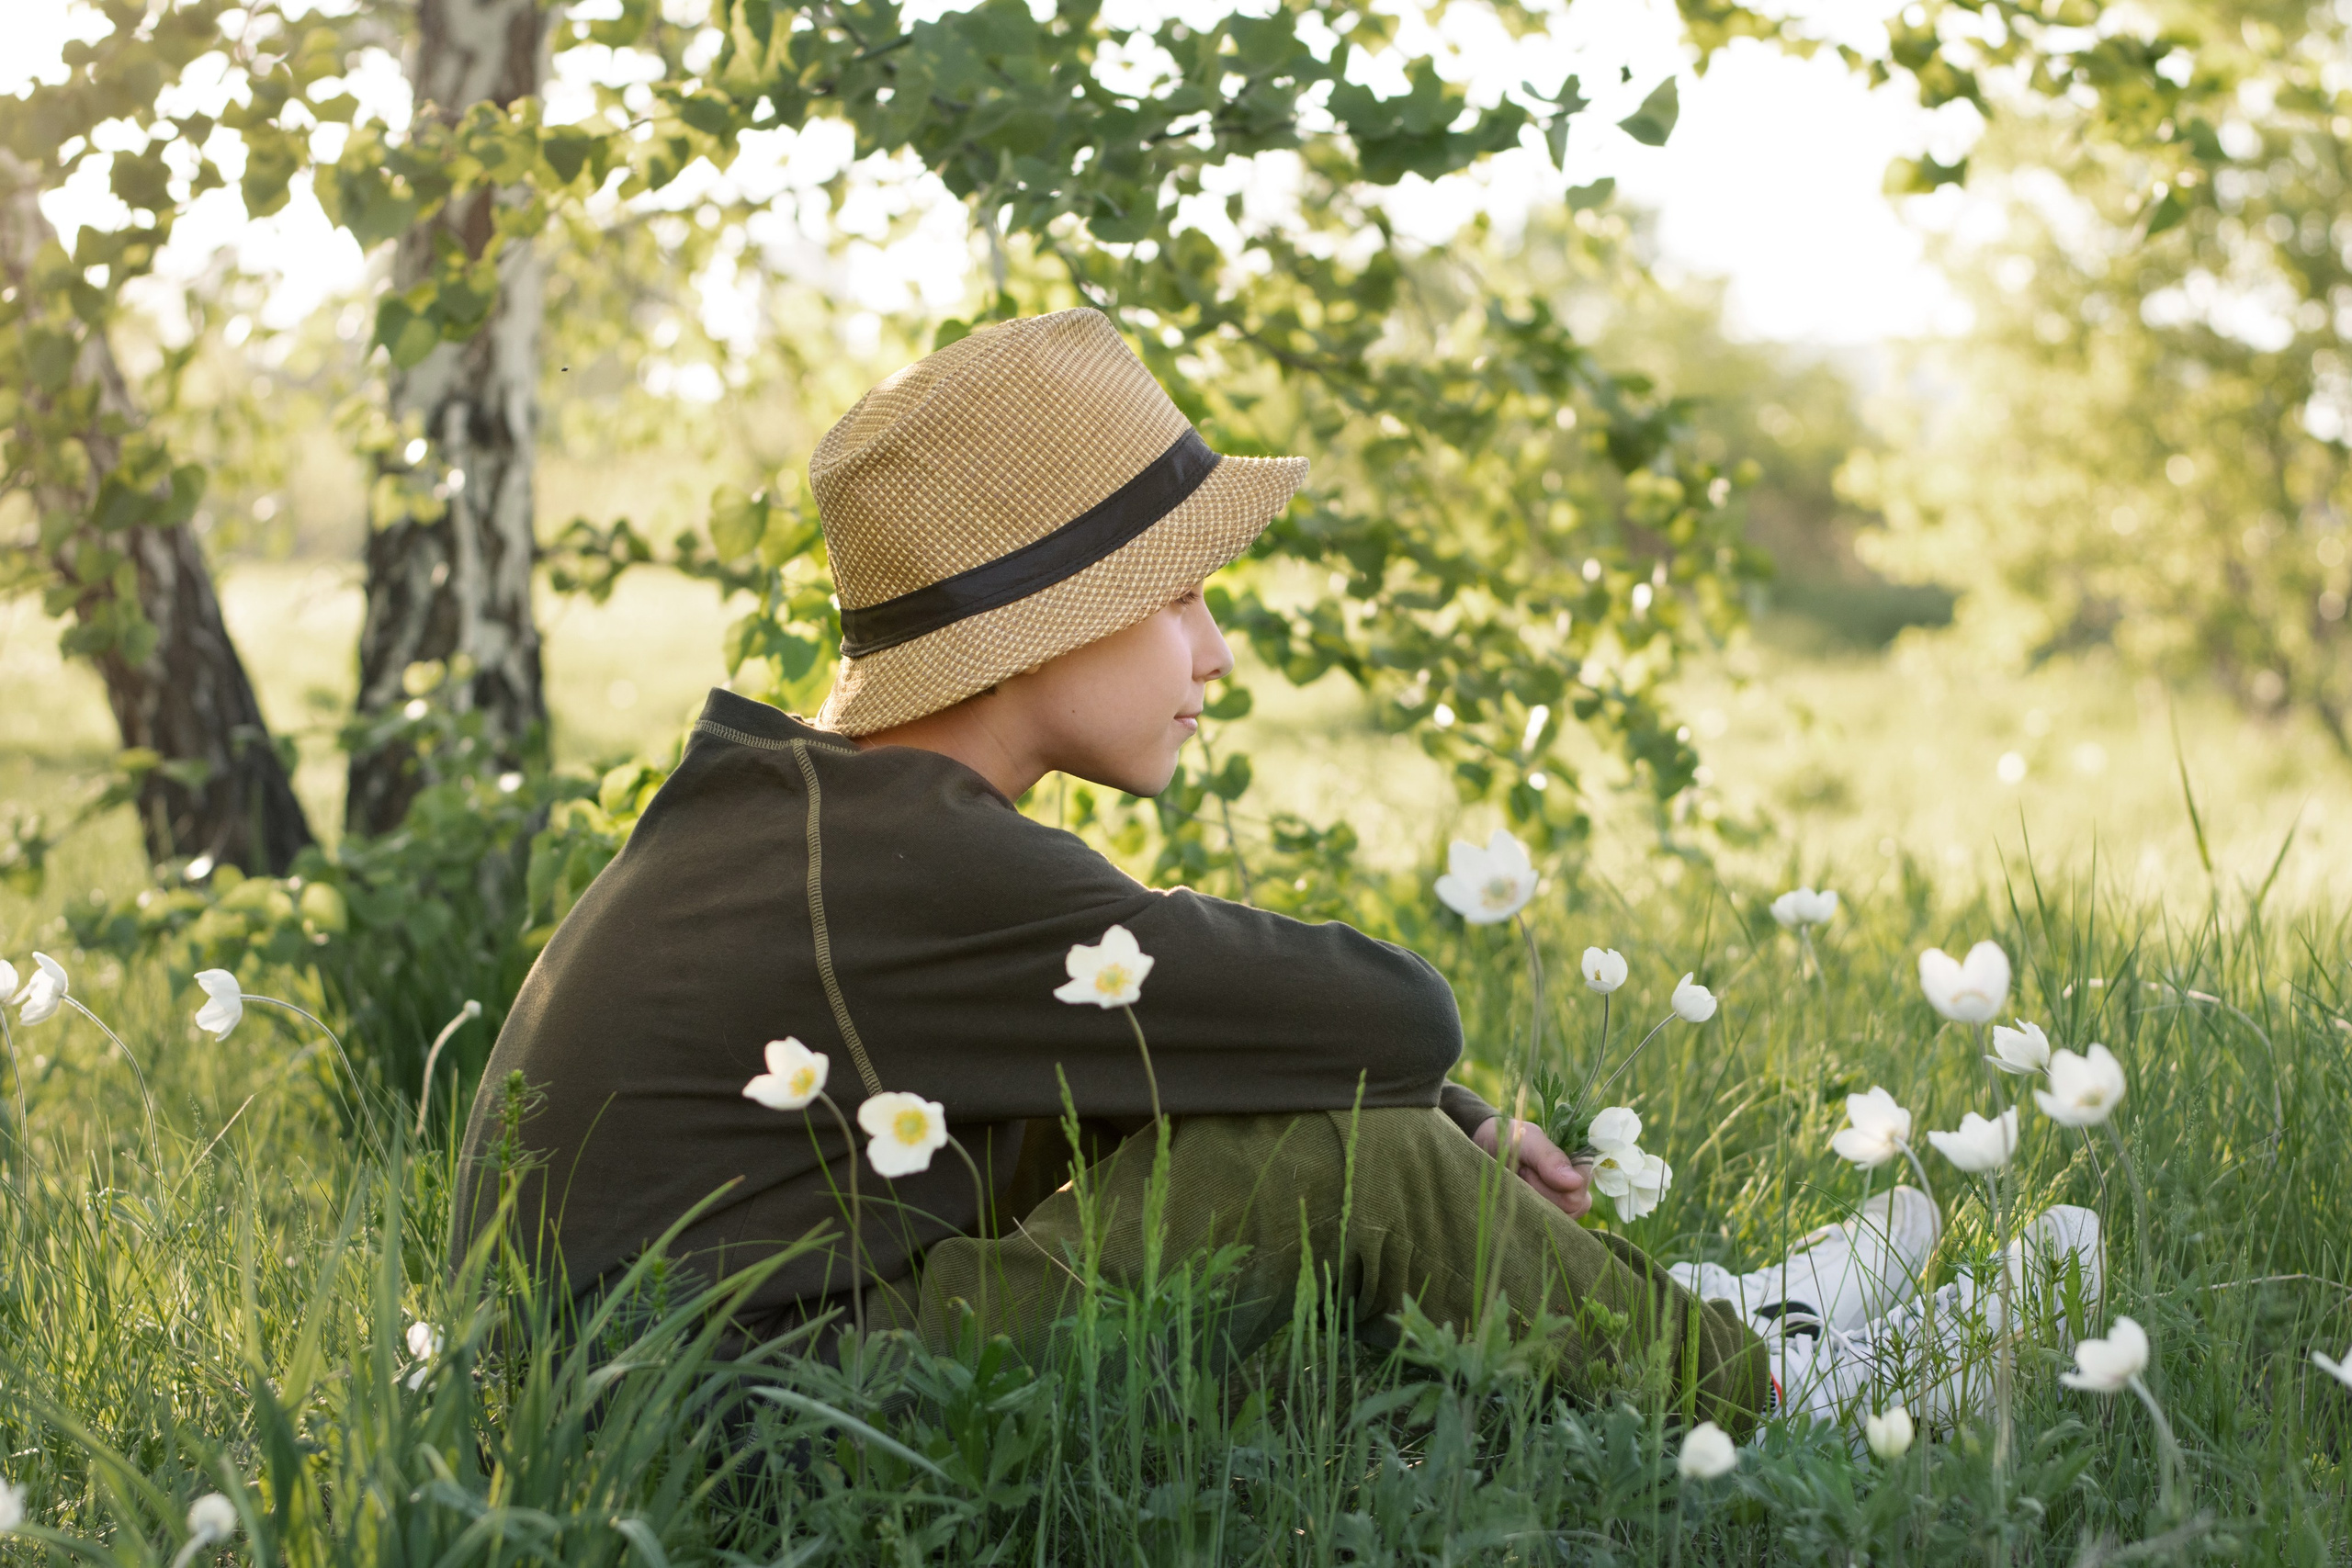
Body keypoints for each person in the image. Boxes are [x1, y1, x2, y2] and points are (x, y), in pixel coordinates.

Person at [448, 308, 2083, 1436]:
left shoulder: (834, 826)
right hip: (761, 1438)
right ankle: (1789, 1399)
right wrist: (1431, 1114)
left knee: (1292, 1111)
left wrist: (1450, 1122)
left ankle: (1668, 1314)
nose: (1215, 652)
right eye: (1179, 596)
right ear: (1048, 617)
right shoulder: (901, 861)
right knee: (1342, 1164)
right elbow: (1395, 1008)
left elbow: (1213, 1045)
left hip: (702, 1396)